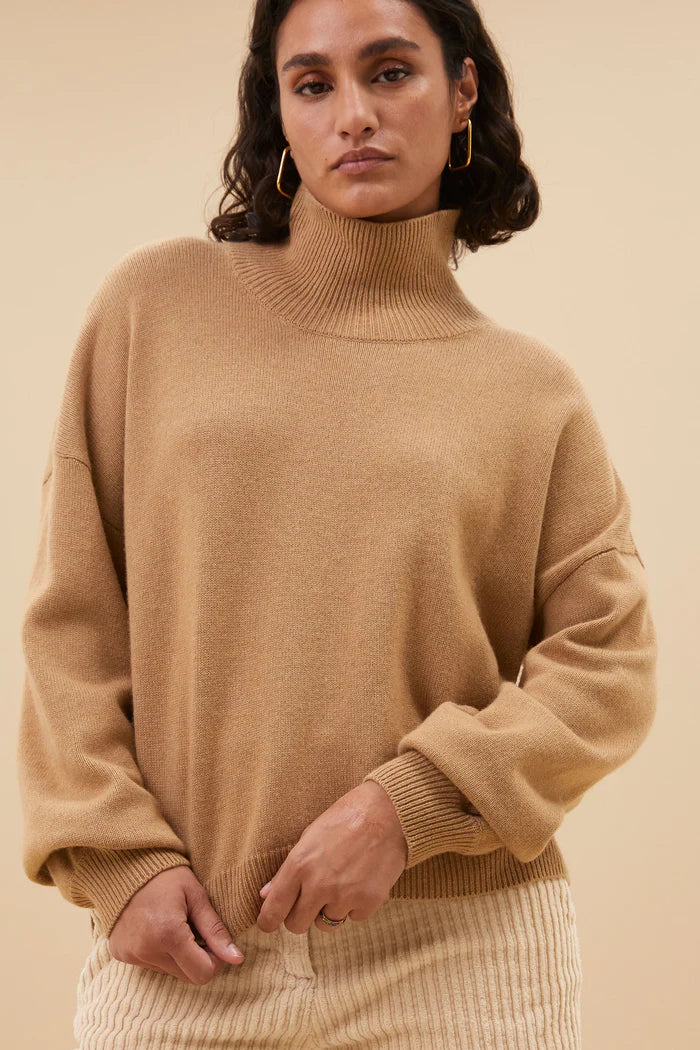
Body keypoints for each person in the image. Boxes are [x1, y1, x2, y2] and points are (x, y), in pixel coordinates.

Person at [17, 0, 658, 1047]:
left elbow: (609, 664)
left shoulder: (530, 393)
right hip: (188, 949)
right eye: (312, 84)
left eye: (390, 71)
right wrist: (118, 857)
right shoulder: (154, 309)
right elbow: (72, 621)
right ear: (278, 110)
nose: (352, 113)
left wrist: (407, 808)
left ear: (462, 90)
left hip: (460, 960)